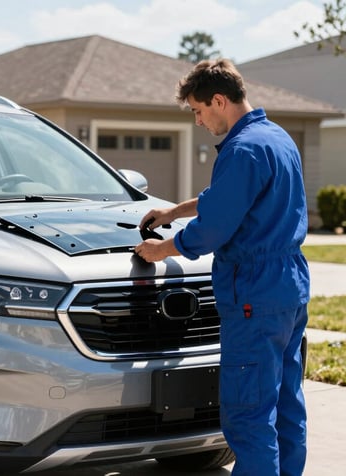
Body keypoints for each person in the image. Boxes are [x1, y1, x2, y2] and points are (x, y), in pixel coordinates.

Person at [134, 59, 309, 476]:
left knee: (249, 415)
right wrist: (176, 209)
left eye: (198, 110)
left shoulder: (243, 149)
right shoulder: (276, 138)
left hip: (254, 292)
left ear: (218, 100)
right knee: (285, 403)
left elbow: (213, 228)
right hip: (289, 288)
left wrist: (164, 250)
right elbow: (230, 197)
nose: (197, 120)